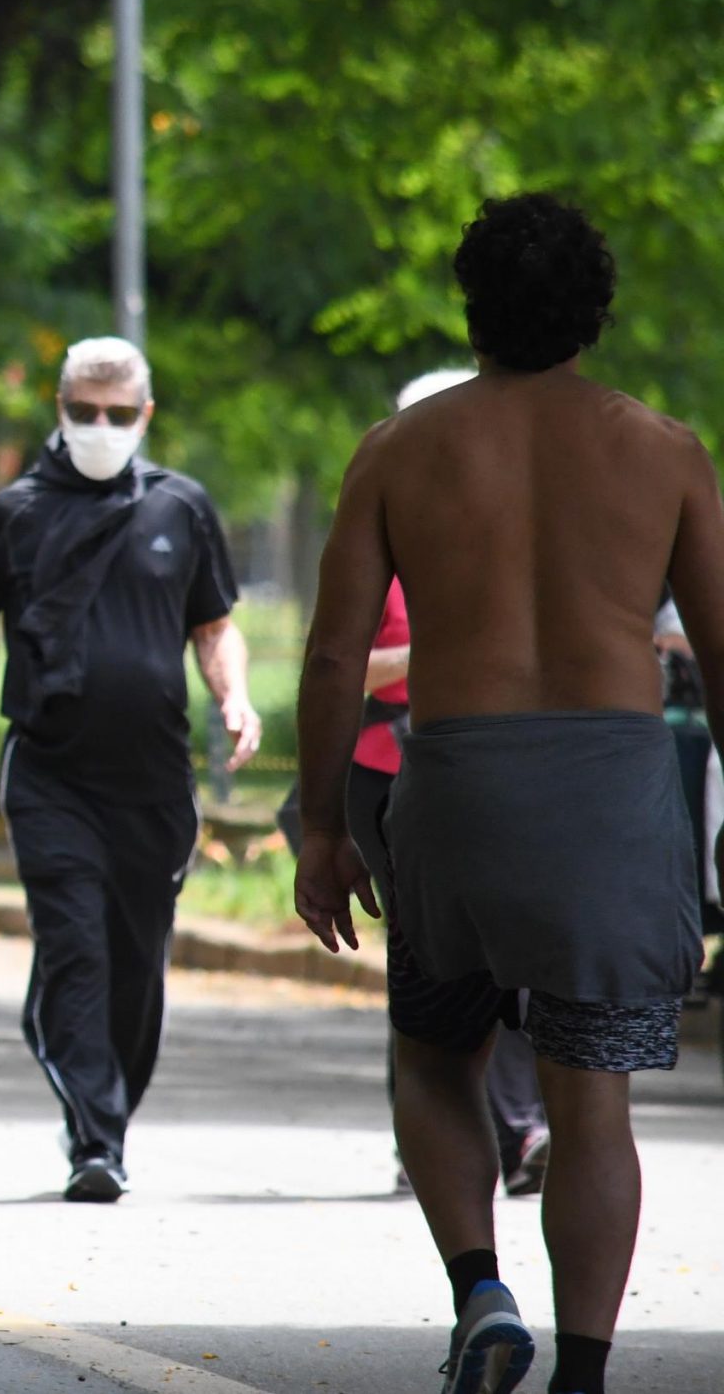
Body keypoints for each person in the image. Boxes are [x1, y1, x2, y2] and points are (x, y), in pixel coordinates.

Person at [295, 195, 715, 1394]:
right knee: (594, 1101)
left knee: (434, 1053)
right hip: (612, 794)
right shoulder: (664, 449)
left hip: (456, 787)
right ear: (596, 312)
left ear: (469, 305)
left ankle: (479, 1291)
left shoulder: (398, 451)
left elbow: (333, 657)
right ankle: (582, 1372)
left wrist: (323, 825)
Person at [0, 337, 259, 1200]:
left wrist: (233, 696)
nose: (101, 427)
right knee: (76, 947)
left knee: (136, 961)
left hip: (154, 777)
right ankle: (93, 1138)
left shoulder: (182, 506)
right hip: (52, 771)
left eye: (119, 414)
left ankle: (109, 1112)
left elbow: (215, 625)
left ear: (147, 415)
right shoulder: (15, 512)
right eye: (85, 412)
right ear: (59, 409)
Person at [334, 370, 554, 1201]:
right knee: (429, 966)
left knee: (523, 960)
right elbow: (339, 663)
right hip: (392, 777)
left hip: (516, 775)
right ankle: (425, 1133)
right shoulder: (379, 533)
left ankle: (522, 1126)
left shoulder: (535, 529)